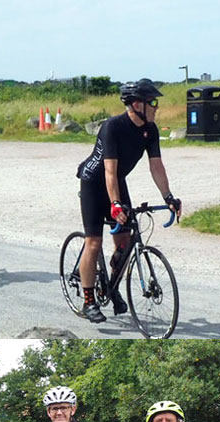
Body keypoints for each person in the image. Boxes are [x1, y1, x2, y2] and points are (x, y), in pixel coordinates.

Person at [74, 78, 181, 323]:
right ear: (136, 105)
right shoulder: (113, 127)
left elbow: (156, 166)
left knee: (123, 242)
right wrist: (115, 204)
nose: (157, 106)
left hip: (116, 182)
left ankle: (110, 288)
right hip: (94, 182)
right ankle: (89, 301)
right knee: (94, 242)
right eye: (153, 102)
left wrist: (168, 197)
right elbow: (109, 171)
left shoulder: (150, 130)